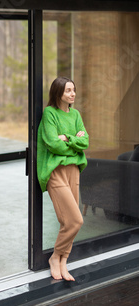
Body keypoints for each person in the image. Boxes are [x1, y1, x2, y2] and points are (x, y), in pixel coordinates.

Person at [37, 77, 89, 281]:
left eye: (74, 90)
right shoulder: (50, 113)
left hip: (73, 170)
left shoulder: (75, 114)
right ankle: (55, 257)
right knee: (75, 220)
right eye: (68, 90)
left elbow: (85, 141)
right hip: (56, 171)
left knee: (69, 221)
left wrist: (67, 138)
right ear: (58, 93)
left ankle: (63, 261)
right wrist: (74, 140)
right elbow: (52, 143)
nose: (72, 94)